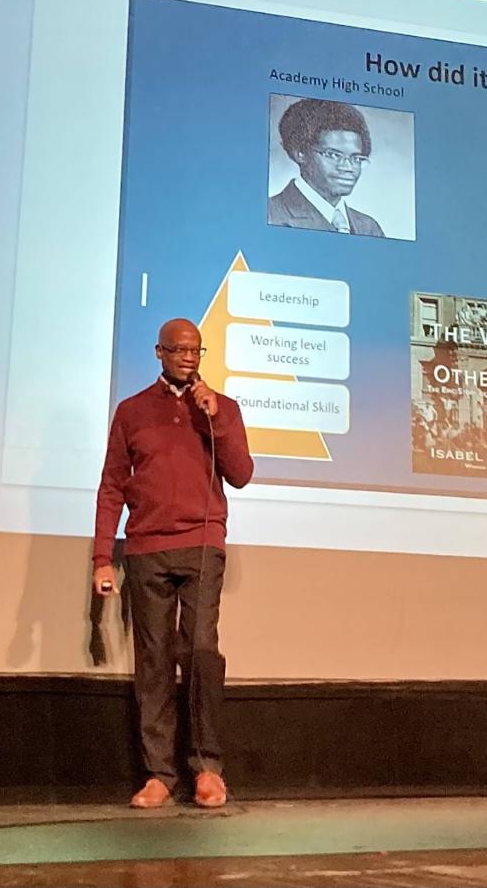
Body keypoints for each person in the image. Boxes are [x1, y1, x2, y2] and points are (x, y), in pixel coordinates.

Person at [93, 318, 254, 809]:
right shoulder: (132, 411)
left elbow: (242, 474)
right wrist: (103, 558)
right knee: (155, 659)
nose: (188, 357)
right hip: (145, 549)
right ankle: (159, 773)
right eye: (179, 349)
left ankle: (207, 768)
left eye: (196, 350)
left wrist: (217, 420)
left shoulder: (221, 408)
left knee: (201, 649)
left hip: (202, 542)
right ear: (159, 351)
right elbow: (113, 485)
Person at [267, 98, 386, 237]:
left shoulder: (369, 227)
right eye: (333, 155)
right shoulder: (270, 214)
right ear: (300, 153)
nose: (348, 167)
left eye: (356, 158)